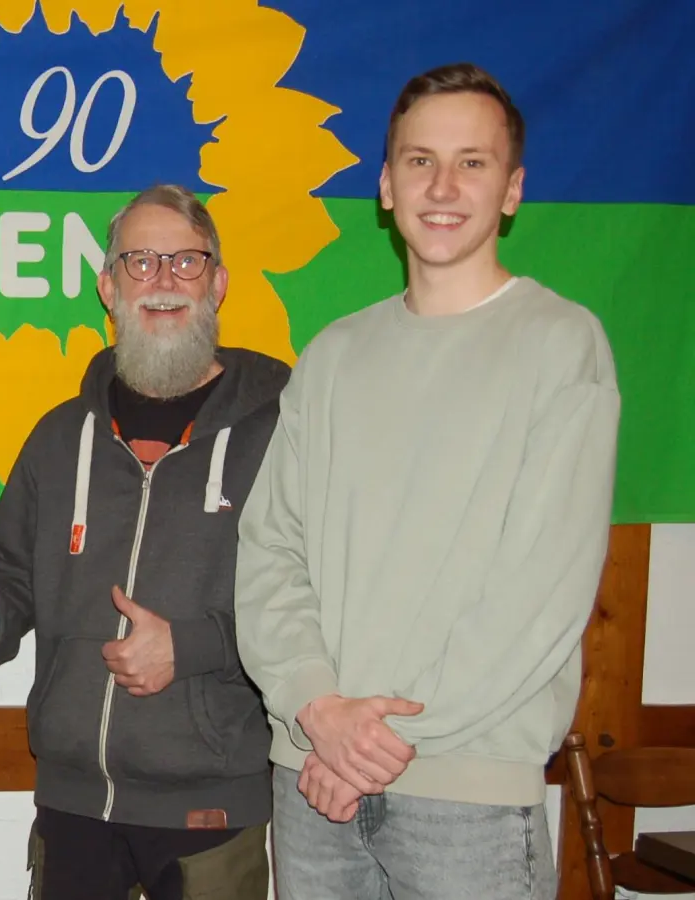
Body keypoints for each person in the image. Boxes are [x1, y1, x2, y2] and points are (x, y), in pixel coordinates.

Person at [234, 62, 620, 900]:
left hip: (465, 797)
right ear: (385, 185)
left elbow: (538, 594)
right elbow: (269, 554)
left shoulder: (561, 347)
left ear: (511, 190)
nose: (443, 187)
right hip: (311, 780)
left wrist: (371, 747)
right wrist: (317, 710)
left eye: (472, 162)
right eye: (420, 161)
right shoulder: (333, 356)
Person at [0, 185, 290, 900]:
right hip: (72, 807)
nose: (164, 281)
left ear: (218, 283)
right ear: (108, 286)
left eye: (186, 262)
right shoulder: (57, 436)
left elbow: (314, 600)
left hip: (211, 809)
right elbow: (10, 575)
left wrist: (189, 648)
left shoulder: (283, 431)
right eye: (140, 261)